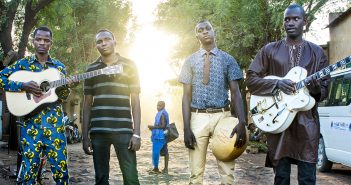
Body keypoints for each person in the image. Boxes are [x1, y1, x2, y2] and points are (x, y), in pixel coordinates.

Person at [246, 4, 330, 185]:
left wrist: (315, 89)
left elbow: (324, 92)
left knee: (308, 178)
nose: (290, 23)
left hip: (306, 124)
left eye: (296, 19)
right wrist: (276, 84)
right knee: (281, 178)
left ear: (305, 22)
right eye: (287, 19)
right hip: (278, 121)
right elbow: (251, 79)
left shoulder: (317, 52)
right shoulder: (270, 50)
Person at [0, 26, 74, 184]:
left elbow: (63, 97)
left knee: (61, 172)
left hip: (55, 126)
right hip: (31, 125)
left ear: (51, 43)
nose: (42, 43)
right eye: (38, 39)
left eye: (46, 40)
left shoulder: (59, 67)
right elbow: (1, 78)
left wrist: (67, 86)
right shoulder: (23, 64)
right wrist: (22, 86)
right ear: (33, 42)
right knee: (28, 173)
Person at [179, 20, 247, 184]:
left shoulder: (228, 59)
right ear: (197, 35)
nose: (204, 32)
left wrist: (242, 122)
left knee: (227, 173)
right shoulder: (189, 61)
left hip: (222, 117)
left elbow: (236, 92)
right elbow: (186, 96)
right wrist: (187, 128)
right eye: (200, 30)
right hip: (198, 117)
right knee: (195, 175)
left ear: (214, 31)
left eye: (208, 28)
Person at [82, 29, 141, 184]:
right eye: (99, 42)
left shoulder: (129, 65)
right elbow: (87, 103)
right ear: (96, 46)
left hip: (124, 130)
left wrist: (136, 133)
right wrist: (84, 136)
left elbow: (135, 100)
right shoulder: (90, 69)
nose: (103, 43)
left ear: (115, 41)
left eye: (107, 39)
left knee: (131, 177)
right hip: (98, 132)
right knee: (101, 178)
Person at [147, 101, 169, 174]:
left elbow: (163, 126)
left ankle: (156, 168)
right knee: (165, 151)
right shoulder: (161, 113)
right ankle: (165, 168)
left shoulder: (162, 114)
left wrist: (153, 127)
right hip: (162, 136)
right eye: (157, 105)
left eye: (159, 106)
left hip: (160, 136)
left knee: (156, 152)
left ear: (163, 106)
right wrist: (153, 129)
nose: (157, 107)